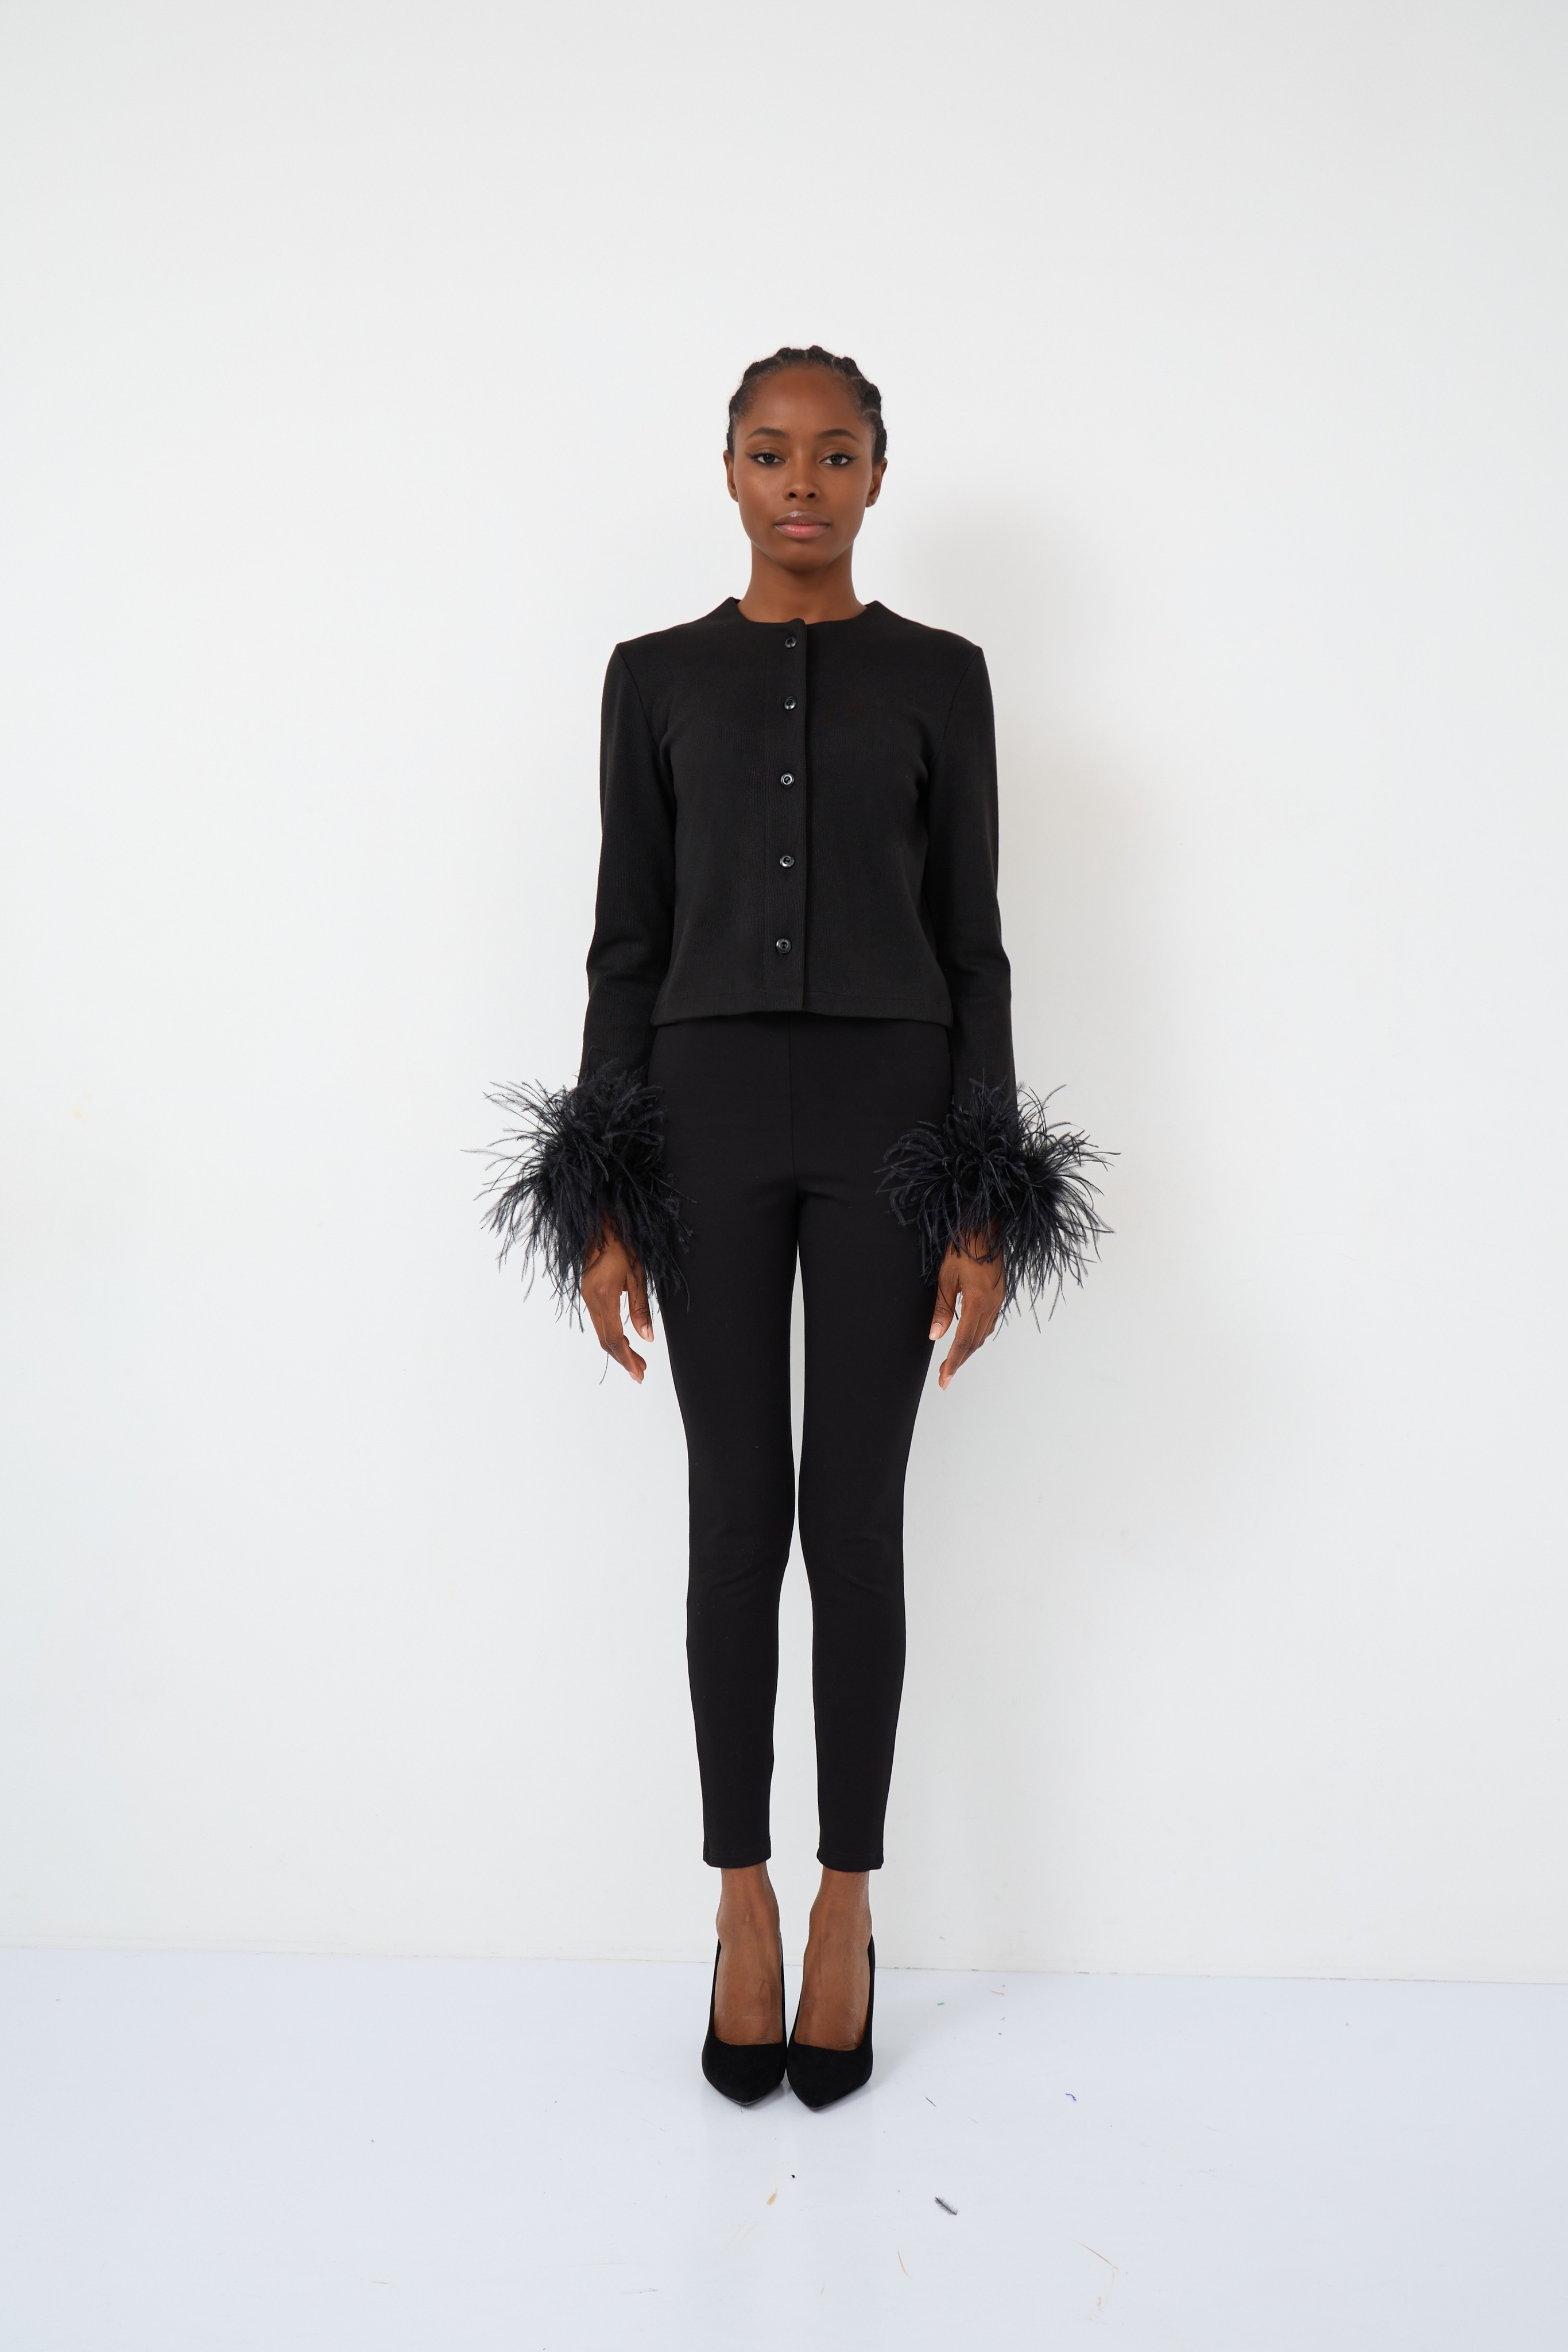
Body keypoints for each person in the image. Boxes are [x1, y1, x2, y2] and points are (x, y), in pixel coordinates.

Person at [484, 346, 1105, 2109]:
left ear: (879, 474)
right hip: (697, 1118)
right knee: (733, 1514)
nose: (803, 484)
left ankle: (847, 1899)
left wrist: (981, 1195)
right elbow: (622, 943)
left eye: (836, 454)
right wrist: (600, 1190)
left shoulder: (940, 678)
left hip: (888, 1121)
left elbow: (973, 941)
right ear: (729, 472)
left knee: (854, 1518)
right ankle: (737, 1898)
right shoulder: (653, 678)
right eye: (771, 453)